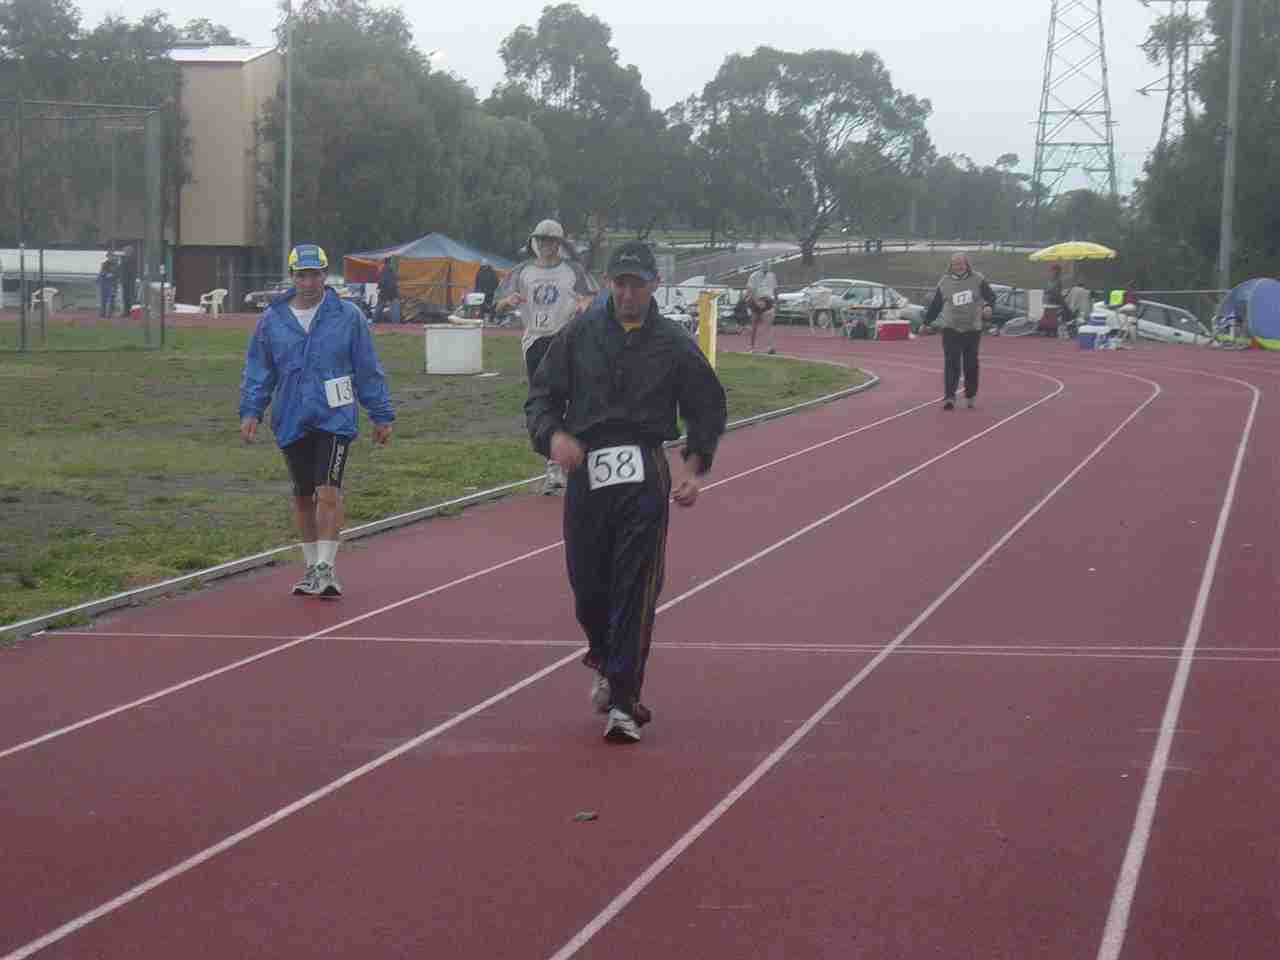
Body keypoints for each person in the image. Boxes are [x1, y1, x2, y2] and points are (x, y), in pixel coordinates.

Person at [525, 241, 727, 743]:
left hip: (643, 471)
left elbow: (706, 404)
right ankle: (603, 655)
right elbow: (541, 397)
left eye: (637, 283)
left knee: (635, 586)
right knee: (587, 588)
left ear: (653, 285)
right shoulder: (580, 333)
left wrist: (695, 466)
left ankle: (623, 700)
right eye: (620, 283)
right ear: (609, 284)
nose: (628, 292)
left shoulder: (673, 342)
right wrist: (553, 437)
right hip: (588, 470)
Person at [238, 243, 395, 598]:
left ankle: (326, 567)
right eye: (302, 275)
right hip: (291, 416)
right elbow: (259, 370)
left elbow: (367, 368)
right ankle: (310, 567)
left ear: (326, 275)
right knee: (303, 496)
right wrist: (252, 410)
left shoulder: (348, 316)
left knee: (328, 490)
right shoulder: (273, 320)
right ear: (292, 277)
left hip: (335, 416)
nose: (309, 282)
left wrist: (380, 413)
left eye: (315, 275)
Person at [496, 218, 597, 495]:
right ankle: (553, 463)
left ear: (560, 244)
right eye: (541, 240)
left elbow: (592, 297)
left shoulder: (572, 271)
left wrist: (583, 305)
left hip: (566, 339)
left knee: (573, 397)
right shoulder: (522, 272)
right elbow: (499, 302)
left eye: (551, 241)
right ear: (534, 242)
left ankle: (574, 454)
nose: (545, 245)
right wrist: (509, 302)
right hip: (535, 342)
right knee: (544, 402)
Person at [922, 253, 995, 410]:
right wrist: (926, 322)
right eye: (955, 264)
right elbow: (936, 305)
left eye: (961, 264)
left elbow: (991, 297)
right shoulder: (944, 282)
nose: (958, 267)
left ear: (966, 264)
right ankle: (949, 397)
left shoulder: (977, 279)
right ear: (951, 266)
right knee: (951, 363)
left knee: (970, 364)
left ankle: (970, 395)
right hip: (951, 328)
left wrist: (988, 306)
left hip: (972, 328)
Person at [746, 261, 779, 354]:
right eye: (764, 268)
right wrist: (756, 301)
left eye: (767, 268)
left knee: (768, 326)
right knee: (754, 326)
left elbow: (776, 289)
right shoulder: (754, 276)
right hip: (756, 300)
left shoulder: (772, 276)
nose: (766, 270)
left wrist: (776, 302)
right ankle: (752, 347)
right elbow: (750, 291)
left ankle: (769, 347)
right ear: (760, 267)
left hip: (768, 301)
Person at [375, 256, 400, 325]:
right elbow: (394, 279)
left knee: (379, 306)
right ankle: (396, 322)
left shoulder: (382, 269)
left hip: (384, 290)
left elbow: (381, 280)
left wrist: (379, 287)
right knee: (395, 306)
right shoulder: (392, 269)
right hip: (392, 290)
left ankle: (375, 320)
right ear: (390, 261)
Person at [117, 245, 138, 317]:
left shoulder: (132, 259)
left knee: (130, 297)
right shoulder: (124, 259)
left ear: (130, 252)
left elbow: (130, 270)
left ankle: (131, 312)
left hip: (130, 281)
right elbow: (120, 269)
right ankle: (126, 312)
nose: (124, 252)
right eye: (124, 251)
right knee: (125, 297)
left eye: (126, 251)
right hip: (124, 280)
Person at [97, 251, 118, 318]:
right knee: (103, 299)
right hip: (104, 283)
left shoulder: (116, 264)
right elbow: (101, 273)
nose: (110, 257)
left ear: (113, 256)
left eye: (111, 256)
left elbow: (117, 273)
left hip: (112, 284)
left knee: (111, 299)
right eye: (109, 256)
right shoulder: (104, 264)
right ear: (107, 257)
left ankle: (110, 314)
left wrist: (112, 275)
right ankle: (102, 313)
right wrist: (104, 275)